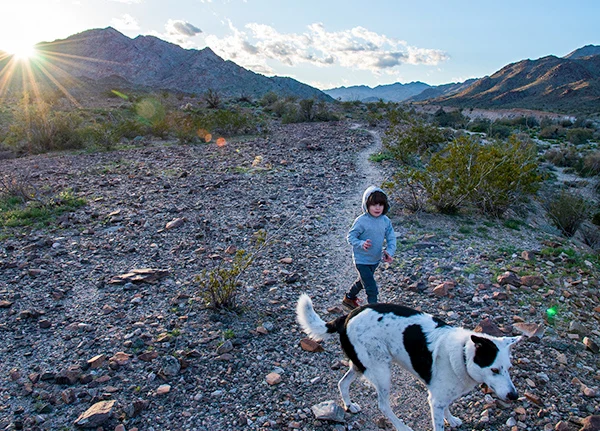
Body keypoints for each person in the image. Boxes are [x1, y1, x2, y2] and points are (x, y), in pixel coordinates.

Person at [342, 185, 396, 308]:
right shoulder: (361, 221)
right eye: (373, 204)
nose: (377, 208)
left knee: (363, 281)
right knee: (371, 287)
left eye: (380, 205)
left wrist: (389, 252)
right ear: (367, 205)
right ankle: (374, 311)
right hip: (361, 260)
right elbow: (350, 237)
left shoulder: (385, 221)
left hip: (375, 259)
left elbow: (391, 238)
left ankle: (349, 298)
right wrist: (361, 244)